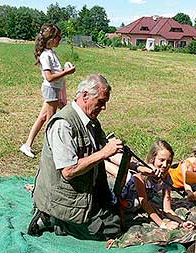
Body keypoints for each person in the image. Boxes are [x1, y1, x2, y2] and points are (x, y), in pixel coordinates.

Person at [27, 74, 124, 240]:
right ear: (85, 96)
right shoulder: (63, 124)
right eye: (101, 102)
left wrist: (138, 167)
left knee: (116, 213)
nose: (104, 108)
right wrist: (104, 153)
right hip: (65, 196)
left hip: (84, 188)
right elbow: (68, 171)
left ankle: (69, 218)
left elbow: (108, 151)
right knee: (112, 228)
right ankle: (53, 219)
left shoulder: (90, 120)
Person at [106, 140, 195, 230]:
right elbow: (144, 203)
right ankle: (105, 154)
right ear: (153, 159)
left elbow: (167, 209)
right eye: (161, 160)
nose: (165, 165)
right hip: (120, 200)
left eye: (169, 161)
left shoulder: (167, 178)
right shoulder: (141, 176)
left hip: (134, 207)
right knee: (122, 173)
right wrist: (163, 224)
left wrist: (182, 222)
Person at [20, 24, 76, 158]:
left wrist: (65, 69)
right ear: (50, 39)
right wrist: (66, 72)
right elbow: (49, 77)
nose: (60, 39)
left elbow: (55, 72)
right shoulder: (46, 55)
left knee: (43, 118)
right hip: (51, 89)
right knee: (50, 120)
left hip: (54, 89)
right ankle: (49, 148)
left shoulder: (51, 53)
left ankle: (27, 145)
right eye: (58, 37)